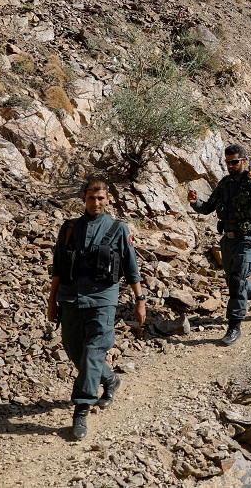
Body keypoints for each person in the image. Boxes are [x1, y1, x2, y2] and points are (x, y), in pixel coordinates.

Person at [47, 178, 146, 441]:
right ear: (83, 198)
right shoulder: (69, 228)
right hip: (70, 299)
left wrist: (140, 300)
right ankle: (111, 380)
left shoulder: (118, 229)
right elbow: (58, 267)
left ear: (108, 199)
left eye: (101, 198)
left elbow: (131, 268)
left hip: (103, 299)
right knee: (75, 351)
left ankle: (81, 408)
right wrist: (51, 300)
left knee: (93, 351)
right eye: (92, 198)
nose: (96, 203)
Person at [187, 144, 251, 347]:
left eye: (234, 162)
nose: (230, 165)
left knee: (237, 280)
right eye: (227, 162)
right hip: (227, 240)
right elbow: (209, 207)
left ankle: (234, 326)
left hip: (246, 238)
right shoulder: (225, 183)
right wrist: (195, 203)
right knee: (234, 282)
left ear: (244, 161)